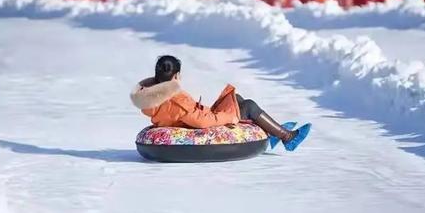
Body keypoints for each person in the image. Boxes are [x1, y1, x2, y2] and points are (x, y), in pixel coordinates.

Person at [130, 56, 312, 151]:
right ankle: (288, 138)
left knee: (235, 98)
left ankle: (273, 133)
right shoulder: (178, 99)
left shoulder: (150, 96)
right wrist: (227, 117)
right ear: (176, 76)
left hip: (180, 119)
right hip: (192, 123)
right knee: (249, 106)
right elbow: (201, 122)